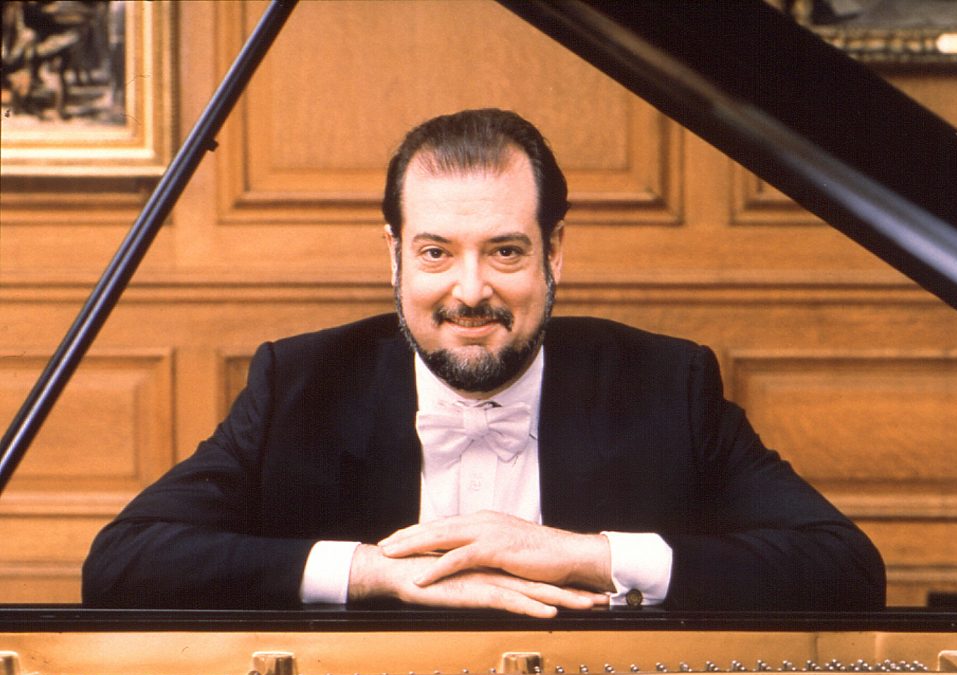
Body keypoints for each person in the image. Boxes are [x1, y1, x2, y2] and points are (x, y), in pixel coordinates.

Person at [82, 109, 885, 616]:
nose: (471, 291)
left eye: (505, 250)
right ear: (393, 254)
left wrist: (588, 554)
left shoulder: (668, 384)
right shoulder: (299, 383)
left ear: (555, 254)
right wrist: (370, 572)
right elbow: (122, 563)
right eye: (436, 252)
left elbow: (845, 568)